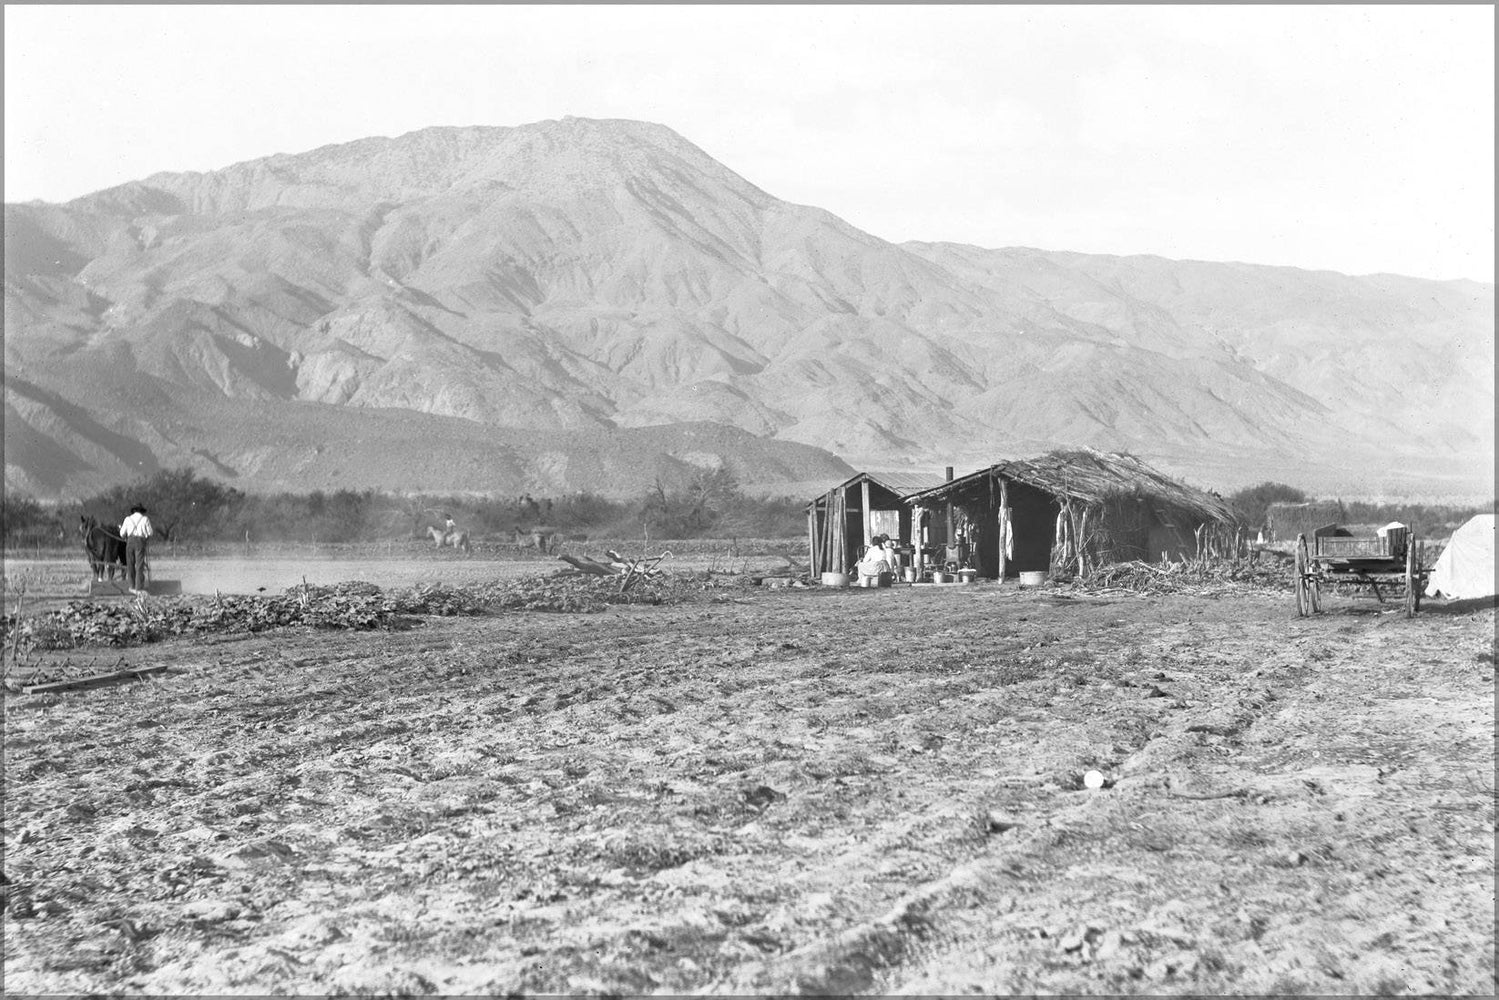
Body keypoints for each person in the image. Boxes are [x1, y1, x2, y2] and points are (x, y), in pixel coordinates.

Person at [119, 503, 154, 594]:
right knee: (139, 565)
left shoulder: (127, 519)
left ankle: (132, 586)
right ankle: (139, 587)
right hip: (140, 542)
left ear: (134, 511)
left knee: (130, 564)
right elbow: (150, 533)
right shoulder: (145, 519)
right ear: (141, 511)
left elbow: (122, 533)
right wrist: (145, 535)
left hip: (130, 542)